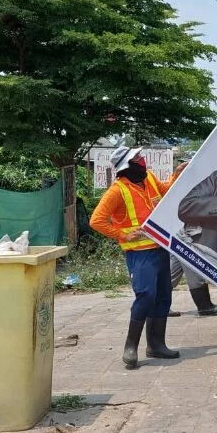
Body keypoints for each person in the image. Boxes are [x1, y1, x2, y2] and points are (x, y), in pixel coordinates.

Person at [89, 146, 179, 369]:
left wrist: (177, 173)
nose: (142, 160)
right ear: (127, 165)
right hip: (139, 255)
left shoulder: (148, 178)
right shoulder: (117, 191)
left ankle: (156, 345)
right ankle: (131, 346)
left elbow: (165, 190)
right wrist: (122, 234)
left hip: (160, 248)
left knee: (163, 297)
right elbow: (96, 220)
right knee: (146, 296)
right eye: (137, 158)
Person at [164, 159, 217, 316]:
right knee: (193, 269)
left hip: (182, 233)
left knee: (172, 273)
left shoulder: (205, 187)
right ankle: (204, 306)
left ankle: (158, 307)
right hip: (187, 235)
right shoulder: (202, 189)